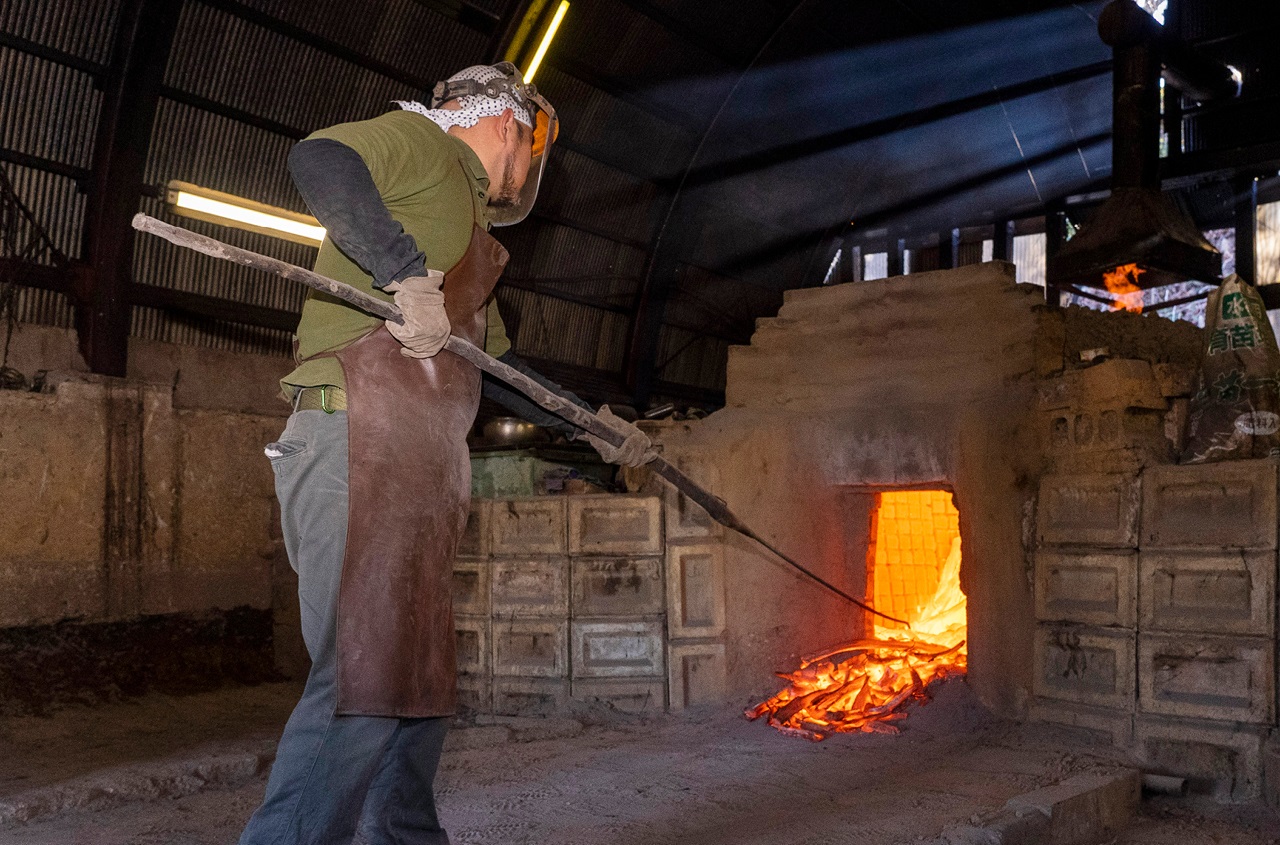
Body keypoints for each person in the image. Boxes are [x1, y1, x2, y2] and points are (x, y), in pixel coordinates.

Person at [240, 62, 654, 845]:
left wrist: (596, 425)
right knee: (363, 683)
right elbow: (319, 157)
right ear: (507, 125)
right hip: (357, 439)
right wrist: (402, 276)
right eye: (532, 145)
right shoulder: (426, 147)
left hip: (418, 467)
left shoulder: (471, 237)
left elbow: (500, 371)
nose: (530, 166)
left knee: (419, 686)